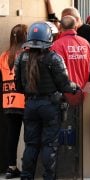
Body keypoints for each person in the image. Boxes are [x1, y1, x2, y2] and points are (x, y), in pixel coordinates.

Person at [15, 21, 79, 180]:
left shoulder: (21, 57)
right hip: (50, 106)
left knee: (31, 145)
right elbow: (64, 84)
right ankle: (48, 178)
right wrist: (75, 87)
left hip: (30, 105)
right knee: (49, 145)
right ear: (49, 37)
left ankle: (26, 177)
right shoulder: (54, 58)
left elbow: (19, 86)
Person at [0, 24, 27, 179]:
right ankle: (29, 167)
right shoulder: (25, 55)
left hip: (8, 101)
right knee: (29, 136)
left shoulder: (3, 56)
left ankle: (11, 167)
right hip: (24, 100)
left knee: (12, 136)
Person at [61, 7, 90, 81]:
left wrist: (78, 59)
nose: (64, 23)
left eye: (67, 20)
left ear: (77, 19)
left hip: (89, 76)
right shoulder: (65, 32)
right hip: (72, 76)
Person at [51, 15, 90, 89]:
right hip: (83, 90)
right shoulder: (86, 43)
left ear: (60, 27)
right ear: (76, 27)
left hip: (64, 92)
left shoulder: (56, 45)